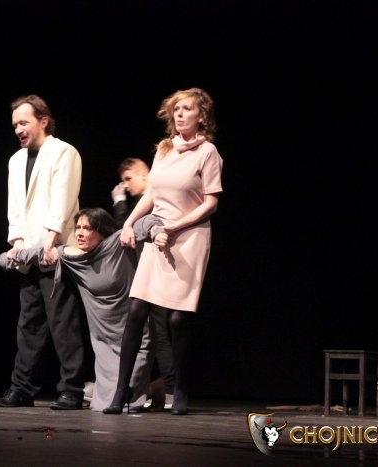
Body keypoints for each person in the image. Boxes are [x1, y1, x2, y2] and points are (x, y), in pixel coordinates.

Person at [104, 87, 223, 416]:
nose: (180, 114)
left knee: (177, 318)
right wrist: (130, 222)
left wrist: (175, 227)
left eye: (187, 109)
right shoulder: (165, 149)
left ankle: (179, 388)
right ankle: (121, 391)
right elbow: (153, 192)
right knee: (136, 310)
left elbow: (211, 202)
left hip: (189, 238)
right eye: (176, 109)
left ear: (202, 117)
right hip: (159, 236)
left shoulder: (208, 152)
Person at [0, 208, 168, 411]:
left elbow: (147, 222)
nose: (79, 233)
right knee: (103, 404)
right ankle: (150, 387)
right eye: (77, 227)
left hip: (136, 339)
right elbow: (33, 255)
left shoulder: (117, 243)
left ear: (101, 231)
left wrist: (156, 232)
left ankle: (153, 387)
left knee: (125, 402)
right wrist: (8, 258)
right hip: (104, 342)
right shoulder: (72, 256)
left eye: (87, 228)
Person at [0, 94, 87, 410]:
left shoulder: (64, 152)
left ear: (43, 121)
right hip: (28, 254)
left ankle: (71, 389)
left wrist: (51, 241)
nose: (18, 130)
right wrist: (17, 242)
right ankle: (22, 388)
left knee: (63, 323)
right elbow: (15, 207)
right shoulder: (15, 160)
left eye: (24, 123)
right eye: (15, 125)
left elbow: (63, 199)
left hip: (54, 250)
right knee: (29, 323)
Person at [111, 158, 176, 410]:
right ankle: (151, 388)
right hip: (146, 271)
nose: (126, 185)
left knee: (160, 333)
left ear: (144, 175)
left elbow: (126, 231)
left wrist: (119, 203)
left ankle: (171, 391)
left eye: (129, 179)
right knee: (148, 333)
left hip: (158, 270)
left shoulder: (152, 200)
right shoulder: (142, 201)